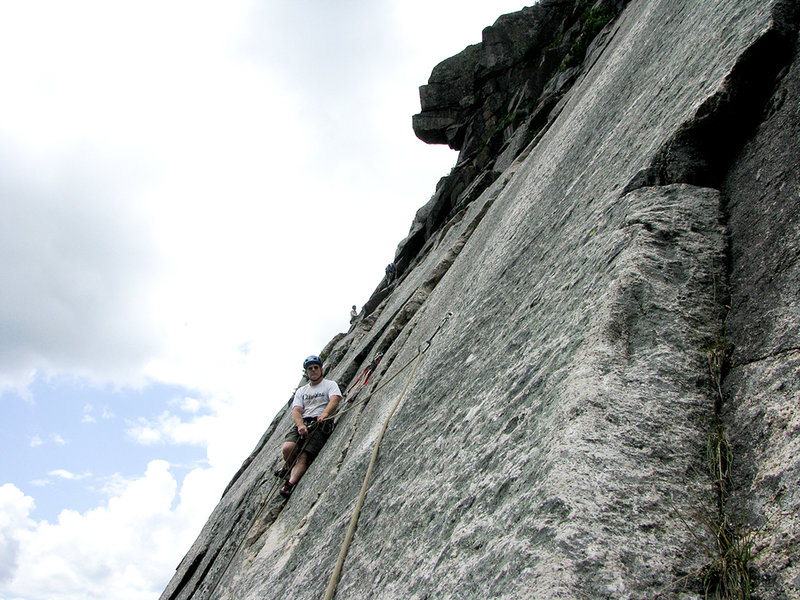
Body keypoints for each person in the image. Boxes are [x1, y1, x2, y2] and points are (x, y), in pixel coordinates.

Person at [277, 355, 342, 498]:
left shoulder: (330, 384)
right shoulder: (302, 391)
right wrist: (300, 425)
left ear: (321, 370)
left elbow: (335, 399)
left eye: (315, 367)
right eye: (310, 369)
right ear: (306, 372)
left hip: (320, 423)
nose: (313, 370)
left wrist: (325, 413)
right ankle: (288, 466)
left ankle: (290, 483)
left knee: (303, 456)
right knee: (287, 448)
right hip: (303, 421)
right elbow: (296, 410)